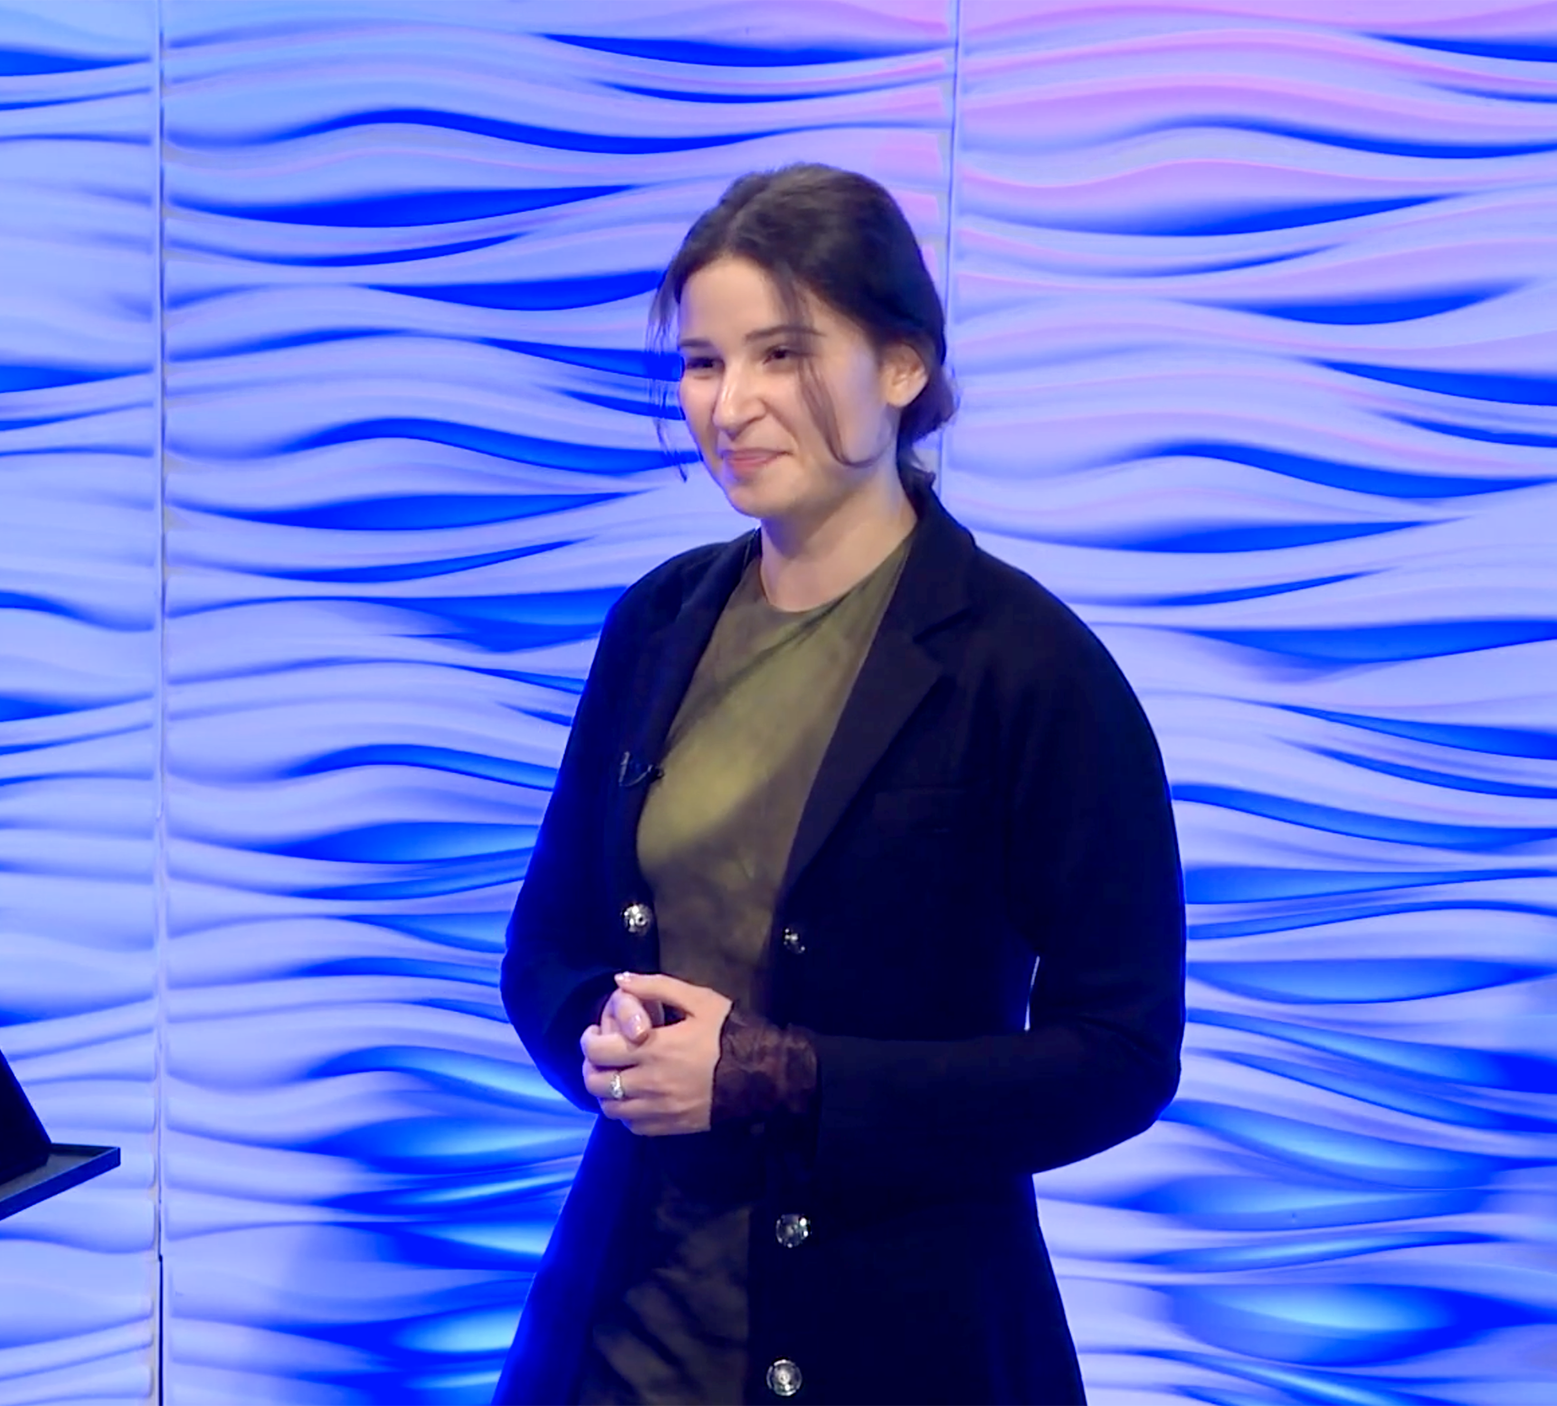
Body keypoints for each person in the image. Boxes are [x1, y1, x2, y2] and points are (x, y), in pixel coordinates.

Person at [495, 164, 1186, 1406]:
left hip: (902, 1333)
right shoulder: (655, 622)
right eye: (702, 362)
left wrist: (781, 1074)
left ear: (903, 365)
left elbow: (1120, 1055)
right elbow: (546, 945)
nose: (732, 404)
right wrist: (600, 1037)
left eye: (783, 353)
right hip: (623, 1330)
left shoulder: (1027, 665)